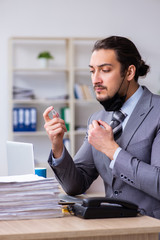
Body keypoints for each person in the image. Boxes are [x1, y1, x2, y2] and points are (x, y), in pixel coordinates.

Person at [43, 36, 160, 220]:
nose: (95, 80)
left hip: (152, 230)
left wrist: (112, 150)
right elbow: (76, 185)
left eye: (105, 70)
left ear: (129, 73)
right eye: (92, 71)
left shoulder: (158, 112)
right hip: (111, 228)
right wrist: (57, 145)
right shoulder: (98, 119)